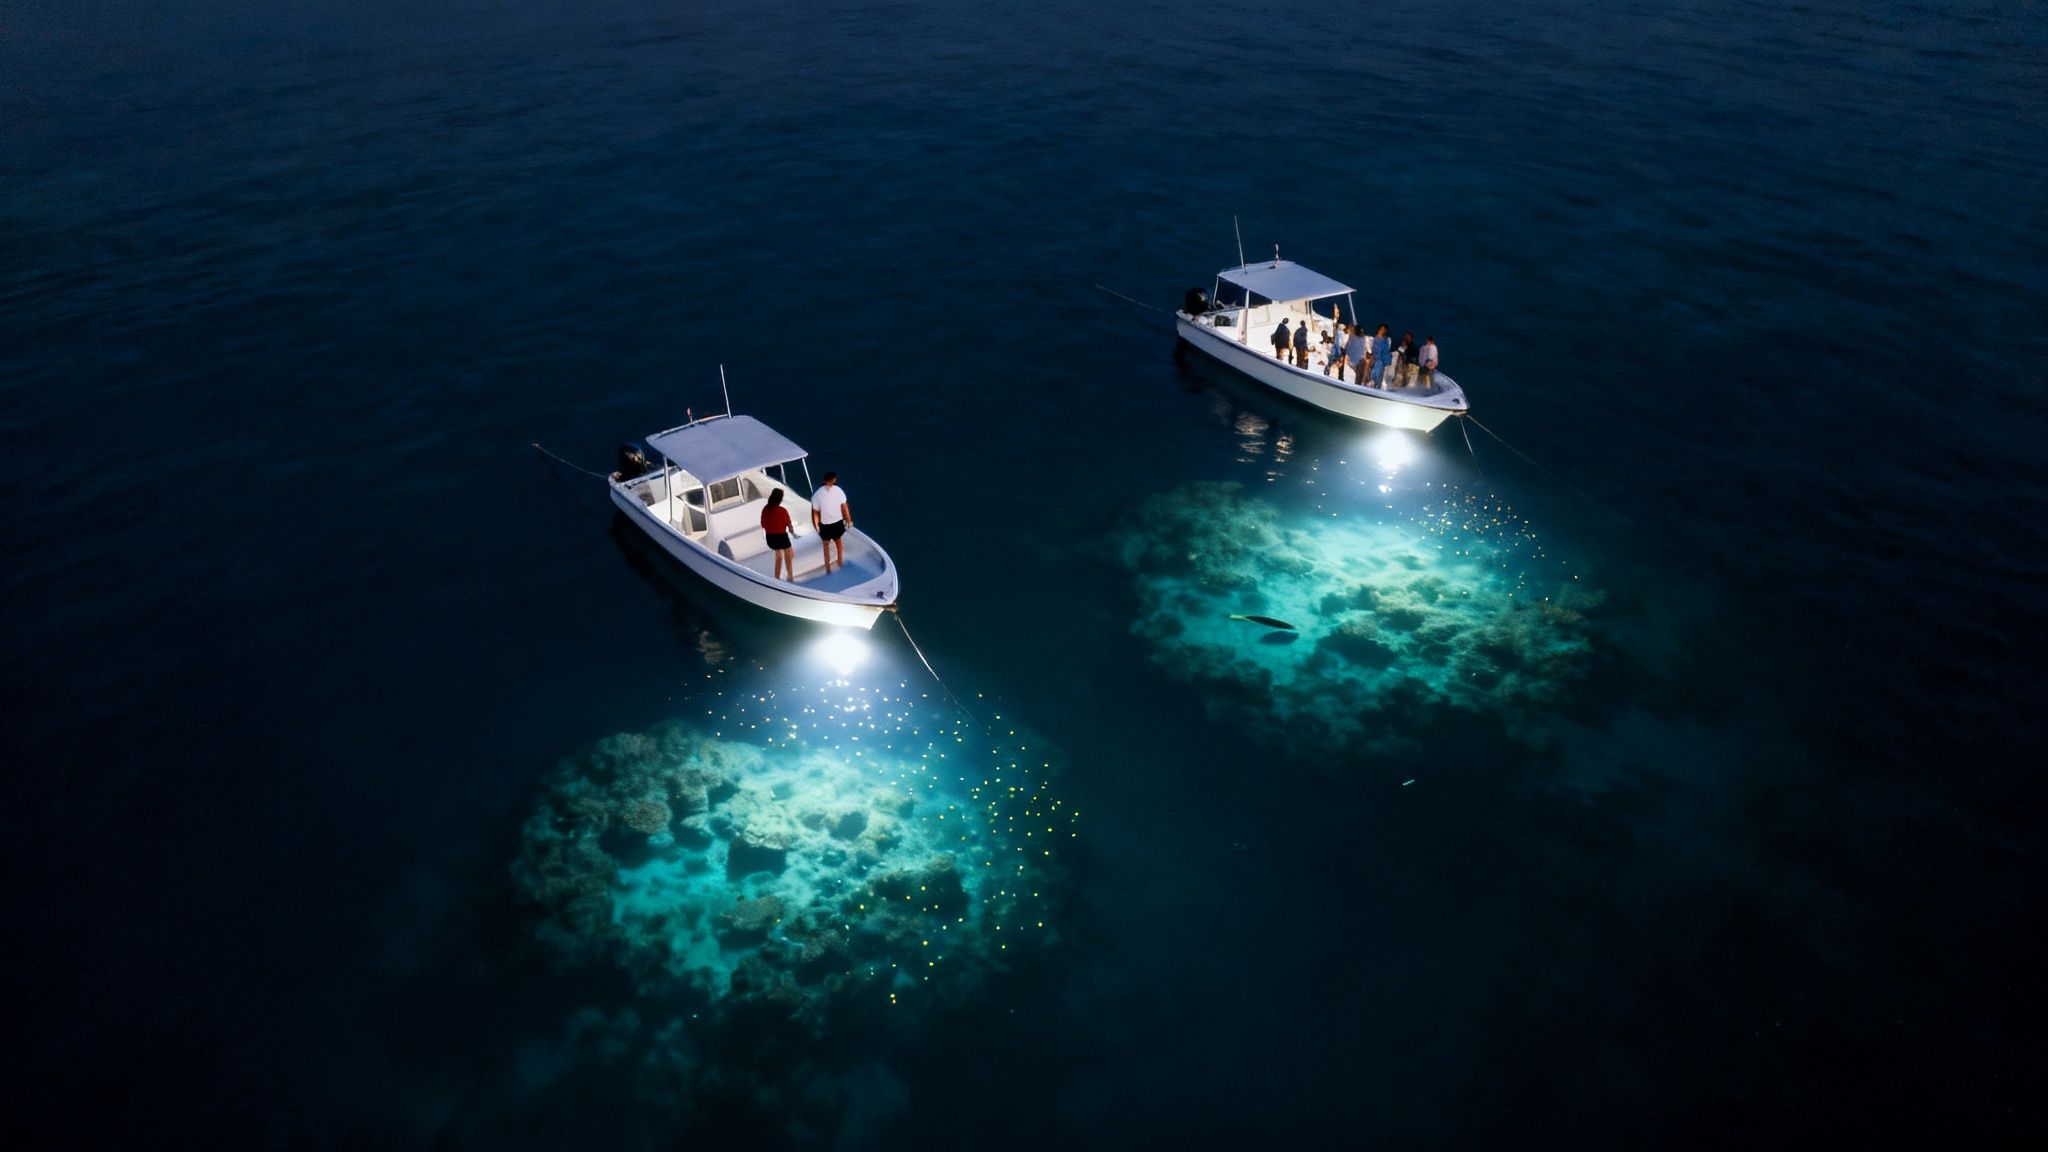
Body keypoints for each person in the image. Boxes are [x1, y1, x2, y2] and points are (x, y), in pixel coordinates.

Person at [810, 471, 851, 574]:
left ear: (824, 480)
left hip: (825, 525)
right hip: (837, 522)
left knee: (826, 546)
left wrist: (816, 527)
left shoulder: (817, 494)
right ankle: (840, 561)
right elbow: (844, 506)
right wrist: (849, 520)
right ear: (834, 480)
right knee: (838, 542)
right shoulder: (839, 490)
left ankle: (828, 568)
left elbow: (815, 513)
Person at [760, 488, 797, 581]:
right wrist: (793, 533)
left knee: (779, 556)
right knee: (788, 554)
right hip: (782, 538)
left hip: (770, 539)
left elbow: (763, 524)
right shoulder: (782, 510)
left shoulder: (765, 509)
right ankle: (790, 576)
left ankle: (776, 578)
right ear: (780, 499)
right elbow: (789, 526)